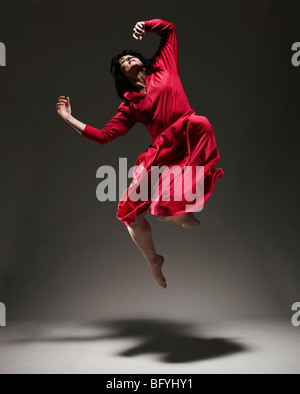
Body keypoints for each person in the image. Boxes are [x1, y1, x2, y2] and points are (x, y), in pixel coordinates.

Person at [56, 19, 224, 290]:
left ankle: (181, 213)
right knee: (129, 214)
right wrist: (69, 118)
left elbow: (169, 29)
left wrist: (146, 25)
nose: (127, 58)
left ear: (141, 60)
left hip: (189, 134)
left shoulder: (163, 66)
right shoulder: (130, 106)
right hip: (162, 151)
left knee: (200, 123)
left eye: (130, 55)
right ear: (122, 75)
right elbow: (103, 136)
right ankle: (153, 259)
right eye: (122, 61)